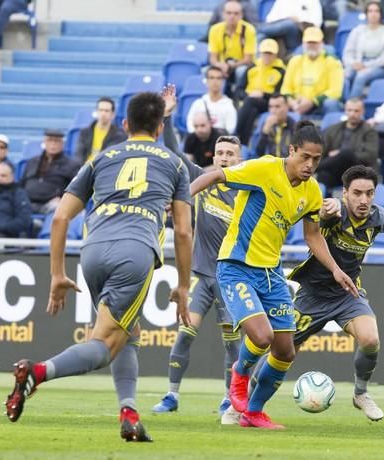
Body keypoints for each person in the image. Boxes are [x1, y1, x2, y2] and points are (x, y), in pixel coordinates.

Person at [4, 92, 193, 443]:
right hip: (134, 252)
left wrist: (58, 274)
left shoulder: (101, 157)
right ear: (161, 127)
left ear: (124, 125)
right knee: (105, 344)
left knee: (127, 335)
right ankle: (37, 372)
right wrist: (183, 286)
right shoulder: (174, 163)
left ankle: (129, 414)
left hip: (92, 251)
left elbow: (60, 217)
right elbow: (183, 229)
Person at [189, 121, 358, 429]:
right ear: (291, 150)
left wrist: (336, 270)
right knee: (262, 336)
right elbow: (216, 174)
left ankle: (252, 412)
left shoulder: (312, 191)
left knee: (285, 349)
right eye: (305, 156)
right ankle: (239, 379)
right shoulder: (264, 169)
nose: (310, 165)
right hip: (237, 265)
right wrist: (182, 200)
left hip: (271, 273)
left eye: (316, 159)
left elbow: (313, 236)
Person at [289, 165, 384, 421]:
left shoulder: (379, 217)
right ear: (345, 193)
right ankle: (245, 399)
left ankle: (360, 394)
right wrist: (327, 211)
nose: (364, 200)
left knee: (370, 339)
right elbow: (323, 215)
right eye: (357, 193)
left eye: (370, 193)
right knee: (284, 352)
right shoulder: (336, 210)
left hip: (348, 294)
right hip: (312, 295)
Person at [152, 85, 242, 425]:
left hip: (232, 280)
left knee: (232, 346)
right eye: (219, 153)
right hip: (203, 279)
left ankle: (227, 399)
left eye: (229, 154)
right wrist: (169, 115)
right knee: (184, 335)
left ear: (239, 159)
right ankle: (172, 394)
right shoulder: (201, 179)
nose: (223, 157)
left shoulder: (248, 189)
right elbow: (175, 152)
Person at [317, 98, 379, 191]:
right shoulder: (333, 129)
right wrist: (339, 157)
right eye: (349, 110)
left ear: (362, 112)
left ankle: (315, 168)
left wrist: (340, 154)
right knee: (323, 175)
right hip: (337, 171)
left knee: (346, 153)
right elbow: (323, 152)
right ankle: (324, 204)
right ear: (345, 111)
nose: (352, 114)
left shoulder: (369, 131)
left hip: (358, 173)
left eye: (356, 111)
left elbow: (370, 155)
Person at [281, 27, 344, 116]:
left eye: (315, 42)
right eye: (309, 42)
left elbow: (335, 91)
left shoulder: (332, 62)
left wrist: (313, 101)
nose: (312, 45)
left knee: (331, 103)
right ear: (303, 43)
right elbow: (285, 88)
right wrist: (292, 102)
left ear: (322, 43)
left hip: (320, 105)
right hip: (297, 103)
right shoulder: (295, 61)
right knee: (278, 103)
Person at [235, 39, 286, 145]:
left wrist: (263, 94)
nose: (267, 56)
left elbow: (279, 95)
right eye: (265, 53)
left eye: (270, 54)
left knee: (250, 102)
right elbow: (239, 89)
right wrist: (248, 95)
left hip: (268, 102)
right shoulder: (252, 68)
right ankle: (243, 143)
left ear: (275, 55)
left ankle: (235, 133)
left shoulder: (280, 71)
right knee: (252, 110)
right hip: (249, 103)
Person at [342, 1, 384, 99]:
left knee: (361, 76)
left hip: (380, 67)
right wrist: (353, 63)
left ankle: (352, 105)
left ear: (381, 14)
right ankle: (341, 103)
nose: (373, 14)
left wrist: (366, 65)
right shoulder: (358, 30)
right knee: (344, 76)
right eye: (370, 11)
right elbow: (348, 52)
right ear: (366, 14)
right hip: (357, 63)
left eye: (376, 11)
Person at [20, 129, 80, 214]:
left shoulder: (72, 165)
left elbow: (75, 189)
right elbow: (22, 184)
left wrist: (62, 198)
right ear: (44, 143)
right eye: (50, 140)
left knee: (59, 208)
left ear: (62, 144)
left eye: (57, 141)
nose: (53, 144)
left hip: (52, 204)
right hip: (28, 202)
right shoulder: (32, 162)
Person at [207, 0, 257, 93]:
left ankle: (237, 98)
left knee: (240, 72)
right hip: (222, 64)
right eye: (229, 13)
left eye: (236, 13)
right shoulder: (215, 29)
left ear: (241, 15)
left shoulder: (249, 30)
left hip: (242, 65)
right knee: (208, 72)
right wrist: (220, 65)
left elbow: (248, 59)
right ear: (223, 14)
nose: (232, 16)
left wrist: (230, 66)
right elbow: (213, 58)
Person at [74, 97, 127, 164]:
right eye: (101, 110)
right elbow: (78, 156)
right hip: (85, 170)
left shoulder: (119, 135)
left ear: (113, 114)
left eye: (106, 111)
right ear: (96, 112)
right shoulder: (85, 132)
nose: (103, 114)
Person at [186, 66, 238, 135]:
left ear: (223, 82)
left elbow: (230, 130)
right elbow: (190, 124)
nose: (215, 81)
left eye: (218, 78)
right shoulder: (198, 103)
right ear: (206, 81)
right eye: (211, 78)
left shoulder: (229, 105)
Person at [259, 0, 323, 54]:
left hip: (301, 32)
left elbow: (317, 23)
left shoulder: (313, 1)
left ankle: (259, 29)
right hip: (281, 32)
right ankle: (256, 66)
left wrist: (298, 20)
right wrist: (288, 18)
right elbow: (270, 19)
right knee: (261, 36)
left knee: (290, 24)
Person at [254, 93, 296, 157]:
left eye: (277, 106)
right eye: (270, 107)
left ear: (287, 107)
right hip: (272, 164)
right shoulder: (266, 125)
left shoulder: (294, 126)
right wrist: (265, 132)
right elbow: (258, 154)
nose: (273, 111)